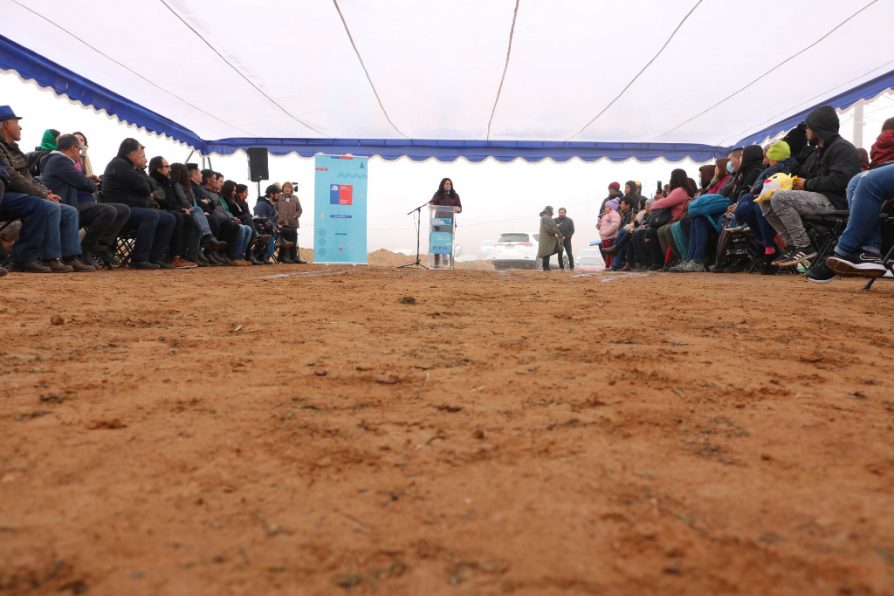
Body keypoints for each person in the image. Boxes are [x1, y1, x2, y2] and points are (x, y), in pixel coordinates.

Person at [761, 106, 860, 267]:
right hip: (819, 197)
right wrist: (794, 184)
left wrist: (806, 183)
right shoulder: (820, 151)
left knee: (780, 198)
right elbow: (811, 178)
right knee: (765, 200)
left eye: (809, 127)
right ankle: (792, 246)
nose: (806, 131)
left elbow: (840, 181)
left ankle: (804, 247)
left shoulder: (842, 148)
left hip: (835, 201)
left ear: (819, 129)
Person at [0, 106, 87, 273]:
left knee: (69, 211)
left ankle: (69, 257)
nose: (20, 127)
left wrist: (46, 192)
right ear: (5, 124)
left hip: (20, 195)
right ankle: (32, 258)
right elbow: (12, 177)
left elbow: (28, 178)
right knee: (44, 205)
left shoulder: (15, 149)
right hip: (6, 194)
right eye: (17, 123)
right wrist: (41, 195)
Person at [808, 118, 894, 283]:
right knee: (856, 181)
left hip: (832, 196)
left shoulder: (838, 148)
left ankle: (843, 250)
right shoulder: (822, 150)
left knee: (870, 182)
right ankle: (869, 251)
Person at [41, 133, 130, 267]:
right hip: (65, 205)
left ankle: (101, 245)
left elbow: (79, 181)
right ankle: (86, 248)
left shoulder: (60, 161)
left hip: (72, 203)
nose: (80, 153)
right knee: (108, 211)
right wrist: (89, 183)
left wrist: (87, 181)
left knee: (123, 210)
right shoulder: (59, 160)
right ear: (73, 149)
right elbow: (85, 185)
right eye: (79, 149)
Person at [101, 138, 176, 269]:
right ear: (132, 154)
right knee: (151, 216)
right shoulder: (119, 164)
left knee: (169, 219)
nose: (143, 157)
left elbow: (152, 183)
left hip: (133, 208)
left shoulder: (132, 167)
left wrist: (146, 183)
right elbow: (145, 187)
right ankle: (139, 259)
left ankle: (155, 258)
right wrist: (147, 185)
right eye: (141, 154)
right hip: (120, 210)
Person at [148, 156, 198, 268]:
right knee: (178, 216)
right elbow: (162, 201)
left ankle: (180, 256)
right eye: (166, 166)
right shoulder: (154, 181)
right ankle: (173, 257)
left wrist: (182, 209)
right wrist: (180, 209)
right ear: (158, 169)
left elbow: (172, 201)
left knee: (188, 218)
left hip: (169, 210)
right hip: (159, 210)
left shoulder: (167, 182)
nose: (170, 169)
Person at [428, 178, 462, 268]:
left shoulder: (455, 196)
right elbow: (431, 204)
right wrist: (432, 206)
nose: (448, 185)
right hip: (438, 222)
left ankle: (450, 263)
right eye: (446, 184)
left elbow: (460, 208)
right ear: (442, 185)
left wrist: (457, 209)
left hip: (449, 222)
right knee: (437, 241)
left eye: (450, 184)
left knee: (448, 241)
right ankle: (436, 264)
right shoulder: (438, 194)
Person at [276, 181, 304, 264]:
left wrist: (295, 215)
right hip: (281, 223)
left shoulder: (295, 198)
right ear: (283, 188)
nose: (287, 189)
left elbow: (300, 210)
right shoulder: (279, 198)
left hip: (293, 223)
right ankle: (283, 256)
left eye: (289, 187)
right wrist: (279, 215)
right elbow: (274, 208)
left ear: (292, 189)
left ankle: (294, 257)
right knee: (284, 238)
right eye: (286, 187)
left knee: (293, 240)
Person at [536, 205, 561, 271]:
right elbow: (549, 228)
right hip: (547, 238)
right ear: (549, 210)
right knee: (547, 253)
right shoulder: (546, 217)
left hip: (545, 238)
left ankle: (545, 267)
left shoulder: (544, 217)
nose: (553, 212)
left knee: (546, 253)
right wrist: (554, 233)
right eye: (552, 210)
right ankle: (546, 268)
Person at [597, 202, 621, 269]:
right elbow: (602, 225)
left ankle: (611, 265)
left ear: (612, 207)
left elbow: (615, 225)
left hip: (611, 237)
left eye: (607, 207)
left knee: (611, 253)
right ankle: (607, 266)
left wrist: (606, 233)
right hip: (604, 238)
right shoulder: (605, 215)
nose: (605, 208)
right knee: (607, 253)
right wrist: (598, 226)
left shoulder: (614, 214)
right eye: (605, 207)